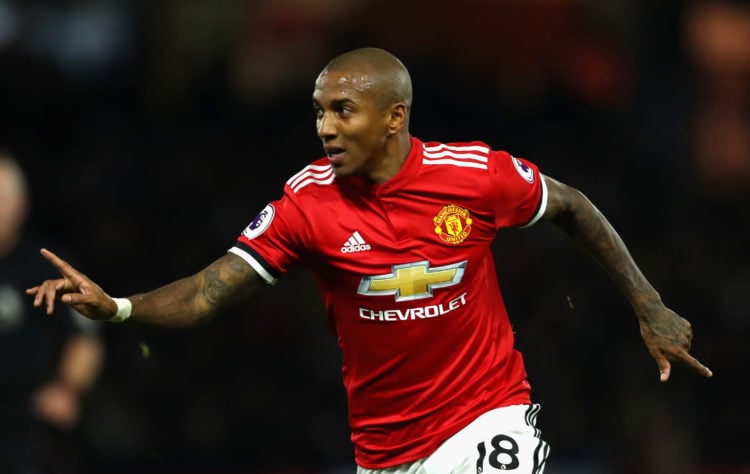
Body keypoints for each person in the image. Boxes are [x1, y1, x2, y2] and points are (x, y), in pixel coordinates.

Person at [27, 47, 712, 473]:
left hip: (486, 417)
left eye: (343, 110)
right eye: (320, 110)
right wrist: (120, 306)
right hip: (383, 451)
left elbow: (570, 204)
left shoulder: (474, 176)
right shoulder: (306, 206)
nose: (325, 126)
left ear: (394, 117)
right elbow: (209, 291)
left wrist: (647, 302)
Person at [0, 152, 104, 474]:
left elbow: (85, 340)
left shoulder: (46, 266)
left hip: (26, 427)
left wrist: (67, 388)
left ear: (21, 206)